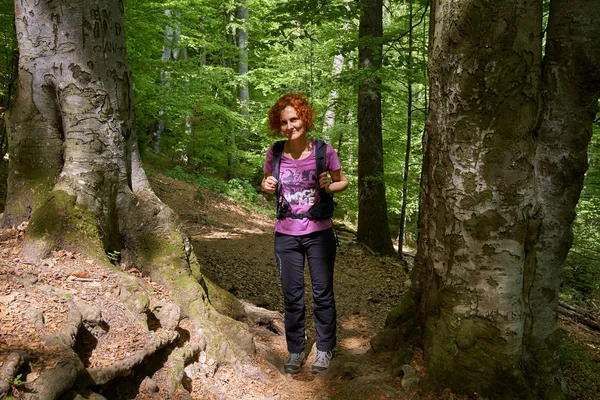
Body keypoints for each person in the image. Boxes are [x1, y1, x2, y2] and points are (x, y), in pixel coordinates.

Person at [261, 93, 349, 374]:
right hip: (286, 234)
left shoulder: (324, 151)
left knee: (323, 293)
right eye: (284, 122)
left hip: (319, 233)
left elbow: (342, 182)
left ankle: (325, 347)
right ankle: (296, 349)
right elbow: (269, 189)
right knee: (292, 295)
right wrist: (265, 187)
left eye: (294, 119)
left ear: (304, 119)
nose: (290, 126)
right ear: (279, 125)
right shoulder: (273, 153)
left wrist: (328, 186)